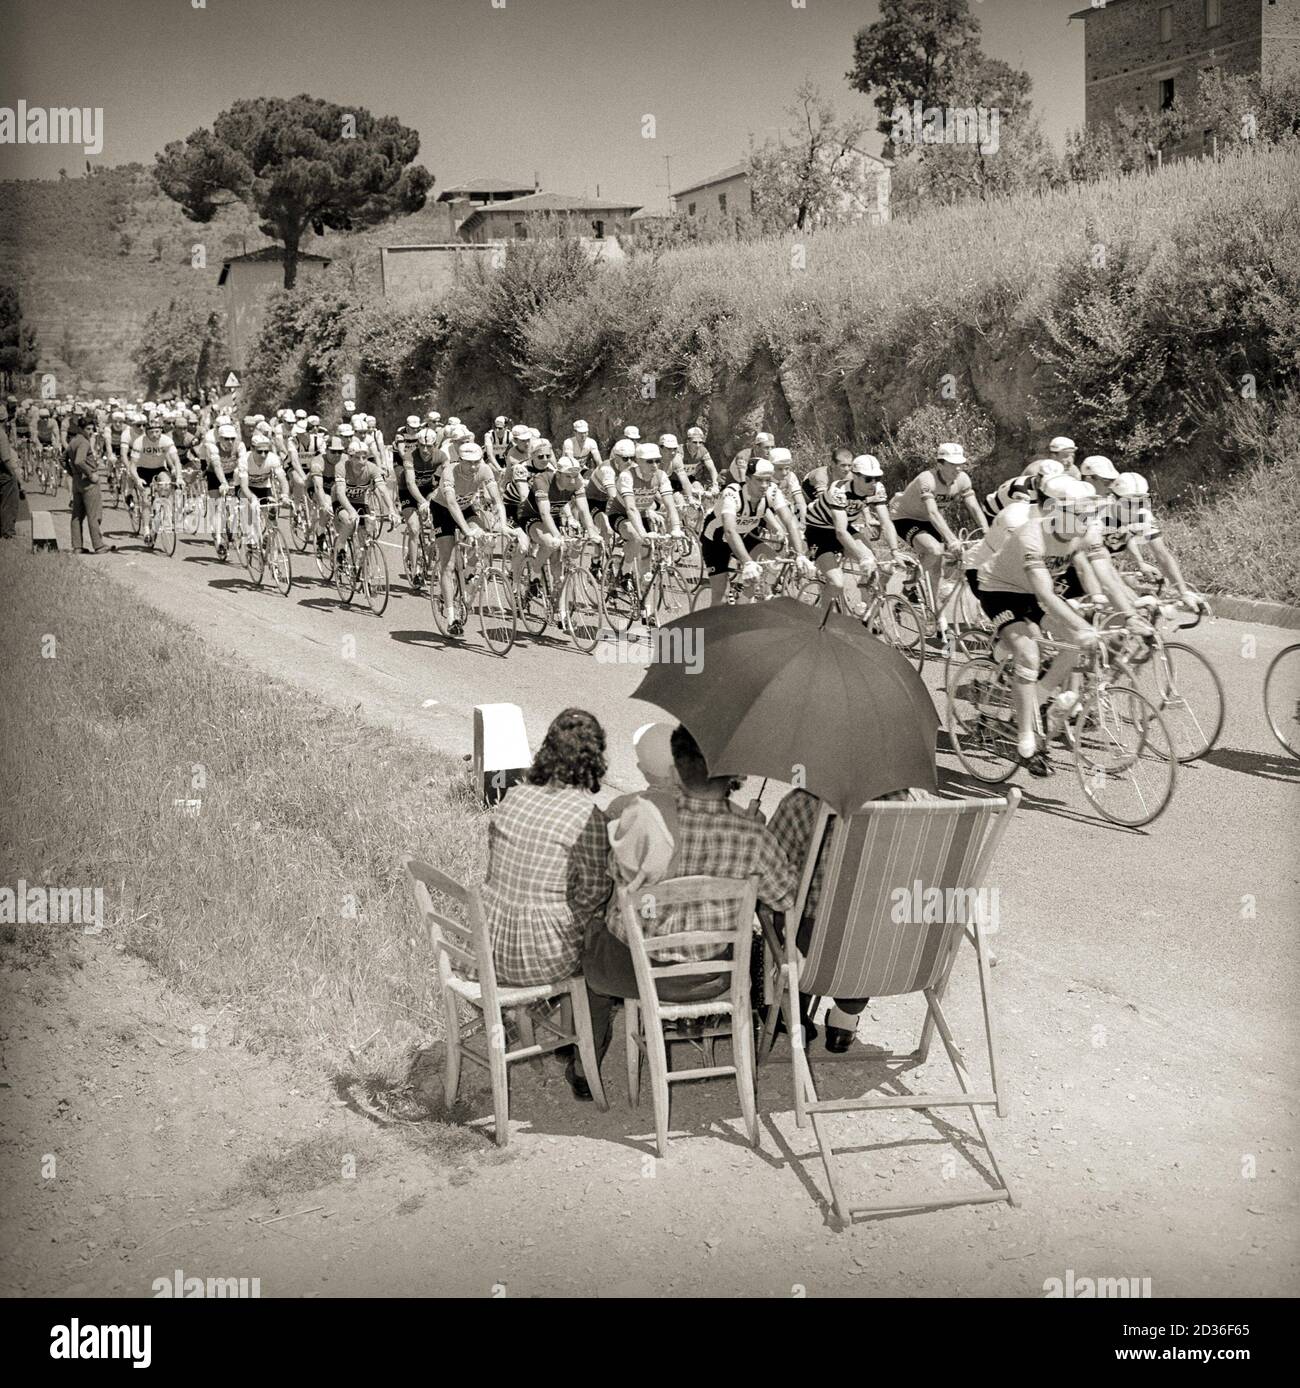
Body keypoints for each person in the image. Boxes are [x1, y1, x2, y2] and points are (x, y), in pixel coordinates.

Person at [572, 724, 797, 1101]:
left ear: (675, 771)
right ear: (734, 778)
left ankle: (585, 1066)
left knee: (592, 941)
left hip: (639, 976)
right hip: (716, 978)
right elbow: (785, 898)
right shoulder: (752, 834)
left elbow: (613, 884)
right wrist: (757, 838)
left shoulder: (643, 817)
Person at [768, 786, 934, 1053]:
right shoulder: (921, 803)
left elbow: (770, 872)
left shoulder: (804, 801)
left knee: (781, 903)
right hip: (894, 952)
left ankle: (791, 1005)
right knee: (869, 920)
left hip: (816, 950)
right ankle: (844, 1021)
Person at [480, 709, 613, 1000]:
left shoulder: (515, 795)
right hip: (538, 958)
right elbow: (595, 893)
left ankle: (524, 1026)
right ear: (594, 759)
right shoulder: (588, 816)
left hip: (488, 946)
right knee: (602, 947)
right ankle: (583, 1043)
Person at [65, 415, 112, 554]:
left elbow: (62, 458)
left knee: (77, 515)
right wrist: (91, 474)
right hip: (88, 482)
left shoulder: (73, 441)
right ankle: (99, 545)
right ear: (80, 428)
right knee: (94, 514)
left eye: (92, 429)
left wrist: (72, 472)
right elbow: (79, 461)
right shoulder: (84, 442)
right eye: (88, 429)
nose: (90, 432)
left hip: (77, 481)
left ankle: (77, 546)